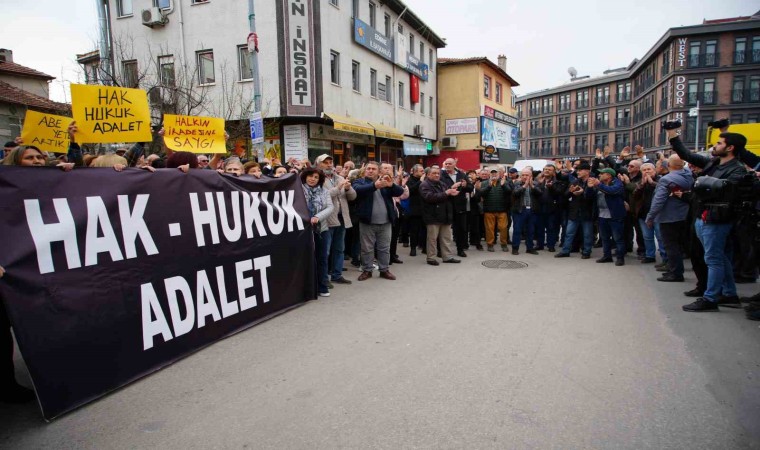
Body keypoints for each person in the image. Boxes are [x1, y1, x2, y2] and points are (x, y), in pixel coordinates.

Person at [668, 126, 748, 312]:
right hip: (704, 216)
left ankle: (710, 298)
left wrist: (704, 184)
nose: (715, 146)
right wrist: (672, 134)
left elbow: (727, 191)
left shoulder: (737, 169)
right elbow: (687, 155)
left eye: (719, 143)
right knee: (719, 258)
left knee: (713, 259)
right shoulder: (714, 163)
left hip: (716, 220)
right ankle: (729, 294)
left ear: (730, 148)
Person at [352, 161, 404, 281]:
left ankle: (384, 270)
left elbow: (400, 192)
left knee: (384, 248)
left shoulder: (385, 181)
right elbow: (357, 190)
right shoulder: (360, 182)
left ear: (379, 171)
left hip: (385, 222)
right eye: (368, 168)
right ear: (365, 170)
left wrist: (391, 185)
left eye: (373, 169)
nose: (370, 171)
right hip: (367, 221)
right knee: (367, 248)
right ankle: (367, 270)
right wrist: (375, 186)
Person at [646, 155, 693, 283]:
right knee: (679, 245)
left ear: (669, 165)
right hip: (684, 215)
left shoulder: (666, 179)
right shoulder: (688, 175)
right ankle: (675, 270)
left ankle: (675, 273)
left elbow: (659, 200)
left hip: (669, 216)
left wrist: (650, 216)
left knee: (671, 246)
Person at [316, 154, 356, 286]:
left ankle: (337, 275)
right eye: (325, 162)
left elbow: (353, 196)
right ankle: (323, 278)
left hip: (342, 217)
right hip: (327, 219)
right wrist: (338, 188)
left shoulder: (339, 178)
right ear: (319, 164)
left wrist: (348, 188)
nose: (329, 165)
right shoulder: (317, 178)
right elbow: (323, 196)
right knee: (325, 251)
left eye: (330, 162)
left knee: (339, 249)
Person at [301, 168, 334, 297]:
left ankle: (322, 286)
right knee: (305, 259)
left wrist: (317, 217)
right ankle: (307, 287)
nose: (312, 179)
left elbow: (330, 207)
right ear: (305, 176)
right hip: (303, 230)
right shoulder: (298, 190)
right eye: (310, 176)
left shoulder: (324, 191)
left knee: (322, 258)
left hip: (321, 229)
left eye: (316, 177)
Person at [419, 166, 461, 265]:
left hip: (445, 215)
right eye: (434, 173)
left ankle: (447, 257)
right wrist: (447, 193)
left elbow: (445, 195)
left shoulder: (442, 183)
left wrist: (451, 193)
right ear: (428, 175)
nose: (437, 175)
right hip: (432, 215)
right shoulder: (424, 184)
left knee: (446, 238)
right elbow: (430, 197)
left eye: (438, 173)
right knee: (432, 239)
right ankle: (431, 258)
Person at [555, 161, 595, 259]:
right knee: (569, 233)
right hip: (574, 212)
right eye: (577, 170)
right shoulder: (575, 182)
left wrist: (583, 192)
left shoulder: (593, 181)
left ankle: (586, 252)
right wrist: (570, 191)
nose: (578, 172)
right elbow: (565, 195)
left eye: (580, 170)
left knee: (587, 234)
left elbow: (593, 197)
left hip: (587, 212)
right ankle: (565, 251)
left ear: (587, 171)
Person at [588, 168, 627, 266]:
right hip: (602, 215)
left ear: (609, 175)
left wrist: (598, 185)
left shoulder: (617, 183)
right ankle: (607, 256)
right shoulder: (599, 184)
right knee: (604, 238)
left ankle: (620, 258)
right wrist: (589, 188)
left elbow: (612, 191)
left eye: (602, 173)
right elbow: (590, 197)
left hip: (615, 215)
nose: (599, 175)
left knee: (618, 238)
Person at [440, 158, 472, 257]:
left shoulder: (461, 175)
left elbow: (471, 188)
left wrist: (466, 185)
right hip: (446, 206)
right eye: (446, 164)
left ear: (454, 165)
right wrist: (452, 187)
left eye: (449, 163)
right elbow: (439, 189)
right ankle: (440, 250)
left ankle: (460, 249)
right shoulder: (441, 175)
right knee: (443, 230)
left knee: (461, 229)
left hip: (460, 206)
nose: (447, 165)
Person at [632, 163, 663, 264]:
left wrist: (652, 183)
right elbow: (635, 196)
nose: (647, 172)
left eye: (649, 169)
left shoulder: (661, 180)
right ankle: (650, 255)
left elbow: (664, 190)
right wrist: (642, 185)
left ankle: (665, 258)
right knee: (647, 236)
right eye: (644, 170)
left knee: (660, 237)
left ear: (654, 170)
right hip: (644, 214)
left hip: (658, 214)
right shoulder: (640, 182)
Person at [479, 167, 511, 252]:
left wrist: (504, 185)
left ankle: (504, 244)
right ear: (489, 174)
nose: (494, 174)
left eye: (495, 173)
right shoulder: (484, 183)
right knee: (489, 228)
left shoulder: (504, 182)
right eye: (492, 173)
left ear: (499, 174)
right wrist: (489, 186)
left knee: (503, 228)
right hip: (489, 210)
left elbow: (509, 192)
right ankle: (490, 244)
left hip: (502, 210)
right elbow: (481, 193)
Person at [511, 168, 539, 255]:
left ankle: (530, 248)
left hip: (531, 210)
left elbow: (539, 193)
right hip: (520, 210)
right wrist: (525, 186)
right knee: (517, 230)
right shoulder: (517, 183)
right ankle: (515, 248)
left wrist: (532, 186)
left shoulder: (536, 184)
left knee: (530, 230)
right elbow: (515, 193)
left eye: (527, 175)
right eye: (523, 175)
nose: (524, 177)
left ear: (531, 176)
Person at [405, 164, 425, 256]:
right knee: (414, 230)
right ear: (415, 172)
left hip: (424, 208)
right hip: (414, 209)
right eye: (421, 171)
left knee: (424, 229)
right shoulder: (410, 180)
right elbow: (410, 190)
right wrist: (420, 181)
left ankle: (424, 247)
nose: (423, 172)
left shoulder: (425, 180)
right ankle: (413, 248)